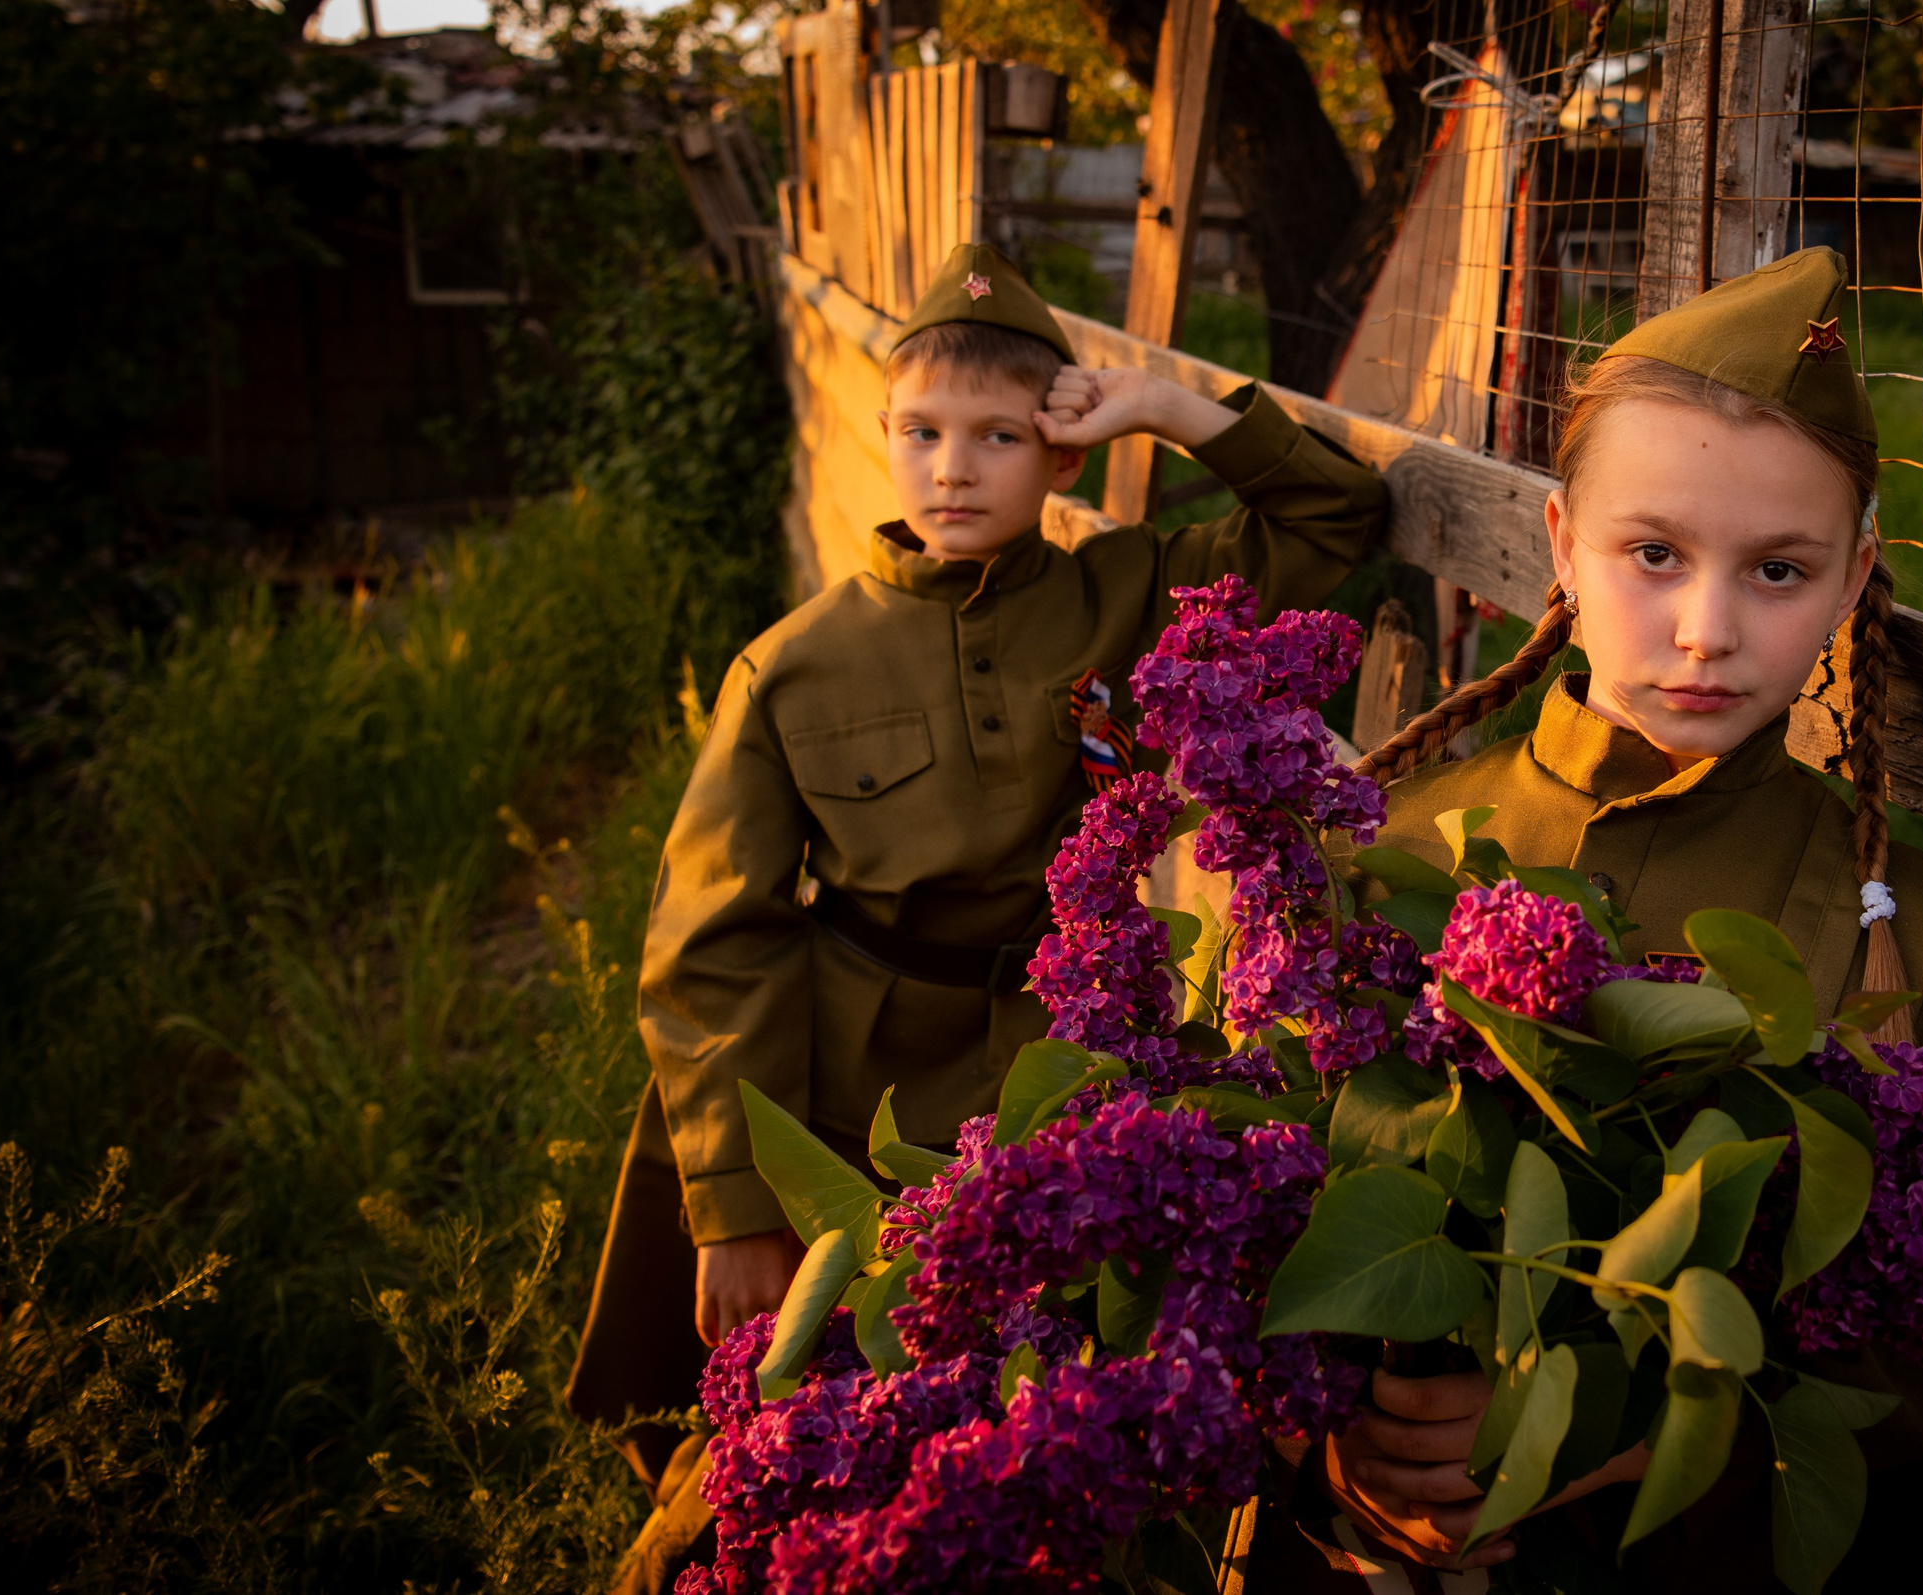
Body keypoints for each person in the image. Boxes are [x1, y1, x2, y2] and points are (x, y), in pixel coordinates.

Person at [567, 242, 1390, 1593]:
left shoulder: (1123, 591)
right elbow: (716, 939)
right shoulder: (794, 666)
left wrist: (1170, 411)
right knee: (795, 1408)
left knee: (1023, 1410)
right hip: (847, 1080)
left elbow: (1335, 525)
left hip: (1059, 1062)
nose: (955, 468)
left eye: (999, 437)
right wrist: (729, 1200)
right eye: (925, 434)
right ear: (886, 443)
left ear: (1059, 457)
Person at [1230, 247, 1923, 1591]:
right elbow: (1233, 1226)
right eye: (1655, 554)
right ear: (1560, 550)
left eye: (1779, 571)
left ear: (1853, 577)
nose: (1706, 630)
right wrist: (1332, 1445)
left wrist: (1624, 1434)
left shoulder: (1907, 931)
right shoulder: (1387, 852)